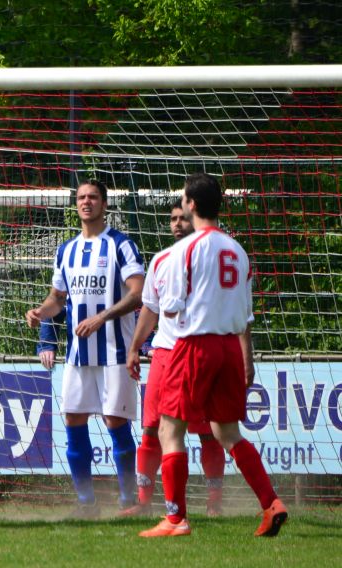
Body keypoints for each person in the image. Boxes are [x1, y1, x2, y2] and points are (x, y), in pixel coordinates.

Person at [138, 173, 287, 538]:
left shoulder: (184, 250)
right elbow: (245, 314)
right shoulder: (237, 251)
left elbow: (170, 308)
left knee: (171, 428)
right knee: (227, 431)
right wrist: (247, 358)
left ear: (190, 205)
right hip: (230, 348)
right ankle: (271, 503)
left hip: (195, 346)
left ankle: (176, 519)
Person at [26, 179, 145, 518]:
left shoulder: (121, 245)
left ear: (105, 204)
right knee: (73, 419)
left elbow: (138, 293)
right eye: (81, 197)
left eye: (93, 197)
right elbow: (57, 298)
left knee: (114, 421)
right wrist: (39, 312)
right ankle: (86, 504)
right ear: (75, 205)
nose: (86, 202)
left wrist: (101, 318)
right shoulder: (66, 250)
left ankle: (127, 503)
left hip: (116, 352)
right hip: (78, 355)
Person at [124, 199, 226, 517]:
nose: (177, 223)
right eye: (172, 219)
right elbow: (151, 310)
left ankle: (213, 503)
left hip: (200, 353)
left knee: (208, 430)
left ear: (194, 218)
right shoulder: (161, 260)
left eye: (183, 218)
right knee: (151, 428)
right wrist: (135, 346)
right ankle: (144, 502)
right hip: (164, 355)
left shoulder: (211, 258)